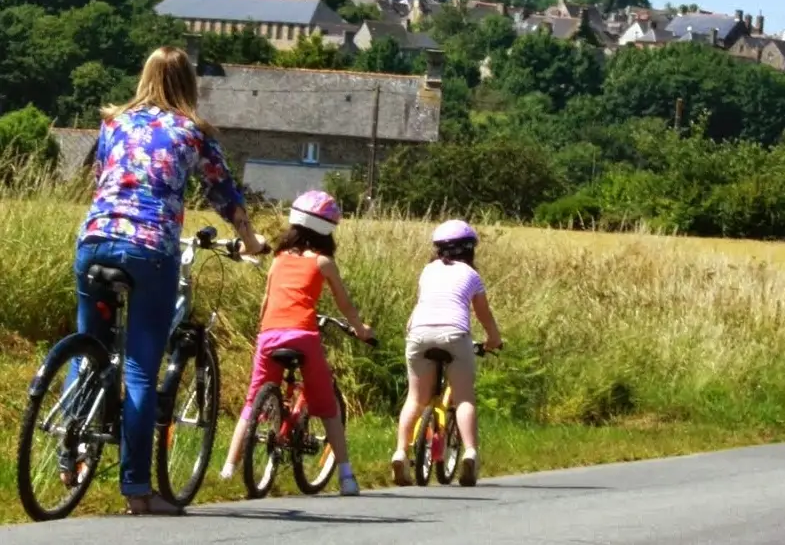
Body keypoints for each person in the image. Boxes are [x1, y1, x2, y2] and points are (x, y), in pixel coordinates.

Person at [68, 45, 266, 516]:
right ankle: (137, 489)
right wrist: (249, 237)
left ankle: (68, 450)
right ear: (188, 84)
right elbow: (224, 192)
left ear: (144, 77)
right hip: (150, 247)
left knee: (86, 344)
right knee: (139, 368)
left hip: (94, 237)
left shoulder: (113, 122)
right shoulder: (192, 131)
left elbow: (101, 179)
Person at [220, 189, 374, 496]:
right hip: (303, 335)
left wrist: (262, 332)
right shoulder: (323, 262)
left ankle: (228, 468)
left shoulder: (278, 259)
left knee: (252, 403)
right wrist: (360, 329)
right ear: (329, 230)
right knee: (327, 405)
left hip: (269, 334)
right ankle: (346, 476)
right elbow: (345, 305)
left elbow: (266, 301)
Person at [392, 219, 502, 488]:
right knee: (464, 398)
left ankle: (400, 452)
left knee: (416, 398)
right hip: (454, 335)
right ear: (469, 250)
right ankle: (470, 454)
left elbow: (418, 308)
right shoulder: (471, 275)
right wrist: (493, 339)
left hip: (418, 334)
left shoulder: (427, 271)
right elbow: (483, 314)